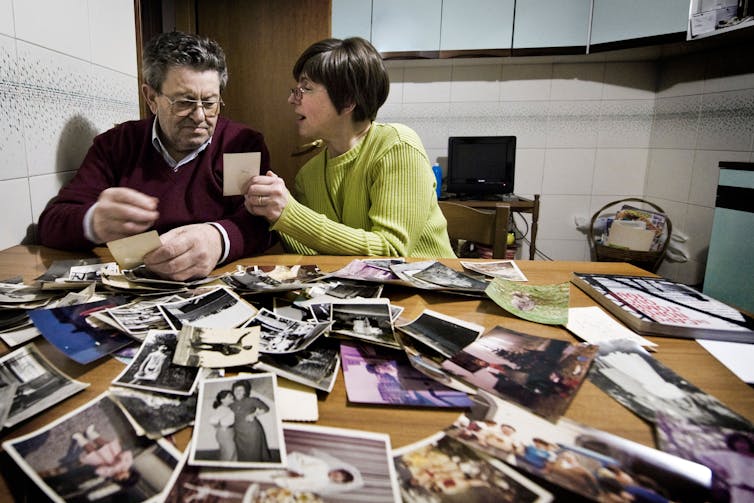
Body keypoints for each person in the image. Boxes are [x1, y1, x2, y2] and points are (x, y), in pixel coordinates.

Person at [37, 31, 274, 281]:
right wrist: (93, 222)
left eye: (210, 102)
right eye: (184, 102)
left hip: (216, 282)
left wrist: (219, 238)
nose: (200, 116)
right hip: (132, 287)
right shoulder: (116, 145)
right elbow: (52, 223)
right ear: (151, 98)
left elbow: (263, 224)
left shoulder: (241, 144)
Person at [244, 37, 454, 258]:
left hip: (431, 288)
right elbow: (318, 257)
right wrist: (272, 215)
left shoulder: (397, 146)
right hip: (364, 292)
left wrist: (289, 213)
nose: (291, 99)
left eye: (305, 88)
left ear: (347, 101)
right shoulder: (308, 175)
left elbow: (391, 252)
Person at [272, 449, 364, 495]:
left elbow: (303, 488)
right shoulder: (322, 465)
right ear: (338, 470)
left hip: (285, 481)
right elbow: (300, 458)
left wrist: (294, 480)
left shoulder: (322, 485)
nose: (338, 476)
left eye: (341, 479)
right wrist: (295, 469)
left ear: (340, 483)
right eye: (341, 474)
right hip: (284, 467)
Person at [72, 424, 138, 488]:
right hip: (112, 452)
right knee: (101, 442)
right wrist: (121, 458)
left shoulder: (109, 474)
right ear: (130, 472)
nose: (120, 477)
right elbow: (128, 453)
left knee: (89, 449)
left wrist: (110, 468)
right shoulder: (127, 464)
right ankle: (91, 433)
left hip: (99, 459)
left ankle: (80, 438)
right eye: (124, 477)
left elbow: (98, 471)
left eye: (120, 480)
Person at [228, 380, 275, 462]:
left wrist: (253, 415)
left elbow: (266, 408)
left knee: (254, 452)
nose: (238, 392)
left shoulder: (251, 400)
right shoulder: (231, 403)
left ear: (245, 391)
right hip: (238, 431)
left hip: (251, 430)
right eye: (236, 390)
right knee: (242, 452)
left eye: (241, 390)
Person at [209, 389, 236, 461]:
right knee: (229, 453)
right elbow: (212, 421)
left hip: (229, 432)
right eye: (229, 396)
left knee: (230, 453)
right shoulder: (222, 409)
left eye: (232, 395)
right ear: (222, 400)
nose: (232, 397)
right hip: (225, 433)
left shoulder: (227, 408)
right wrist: (221, 427)